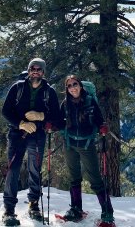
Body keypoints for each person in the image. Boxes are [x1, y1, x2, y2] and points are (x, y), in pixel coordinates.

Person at [1, 58, 61, 226]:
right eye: (33, 68)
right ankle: (9, 210)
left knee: (35, 170)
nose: (36, 71)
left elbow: (56, 117)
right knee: (13, 169)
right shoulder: (17, 88)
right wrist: (21, 124)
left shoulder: (50, 92)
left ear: (43, 72)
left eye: (39, 69)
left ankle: (33, 205)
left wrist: (41, 117)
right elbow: (5, 111)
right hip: (16, 134)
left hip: (37, 135)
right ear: (28, 70)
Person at [57, 75, 114, 224]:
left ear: (80, 86)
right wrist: (51, 125)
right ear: (66, 89)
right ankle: (76, 209)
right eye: (69, 86)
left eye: (74, 84)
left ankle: (107, 212)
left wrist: (102, 127)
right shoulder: (65, 104)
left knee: (95, 179)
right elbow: (59, 121)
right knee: (74, 178)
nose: (72, 88)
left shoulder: (90, 102)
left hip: (87, 145)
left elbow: (99, 120)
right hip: (70, 145)